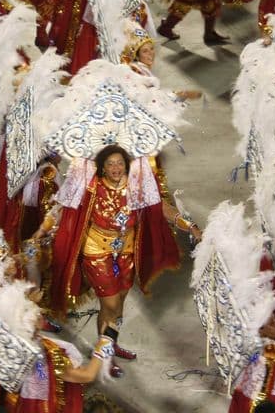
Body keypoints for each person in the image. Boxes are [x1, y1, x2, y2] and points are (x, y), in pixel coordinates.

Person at [41, 144, 187, 378]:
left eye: (120, 163)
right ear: (102, 167)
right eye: (110, 164)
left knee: (117, 305)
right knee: (110, 305)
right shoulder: (90, 184)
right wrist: (41, 230)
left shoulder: (137, 183)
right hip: (97, 251)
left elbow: (160, 207)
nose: (116, 168)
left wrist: (188, 225)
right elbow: (62, 207)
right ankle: (104, 357)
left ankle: (108, 343)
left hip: (126, 251)